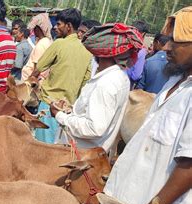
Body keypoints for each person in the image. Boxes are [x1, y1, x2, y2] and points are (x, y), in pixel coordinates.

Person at [105, 7, 192, 204]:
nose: (167, 48)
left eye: (175, 42)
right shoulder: (173, 83)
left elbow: (188, 166)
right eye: (167, 40)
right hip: (128, 200)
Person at [50, 23, 142, 153]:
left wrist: (59, 115)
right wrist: (71, 111)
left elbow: (94, 128)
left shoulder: (106, 83)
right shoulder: (119, 77)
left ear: (102, 52)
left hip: (79, 156)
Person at [31, 8, 92, 144]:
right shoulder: (87, 52)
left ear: (69, 26)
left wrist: (30, 84)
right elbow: (85, 84)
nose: (55, 27)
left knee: (43, 148)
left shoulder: (59, 44)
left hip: (49, 106)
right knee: (59, 149)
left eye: (58, 24)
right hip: (69, 111)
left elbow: (38, 68)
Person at [22, 13, 53, 81]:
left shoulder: (41, 44)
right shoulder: (48, 42)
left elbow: (37, 69)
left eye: (35, 28)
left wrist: (28, 82)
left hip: (30, 82)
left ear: (38, 28)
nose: (33, 30)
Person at [126, 20, 149, 85]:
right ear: (143, 33)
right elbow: (135, 76)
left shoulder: (122, 43)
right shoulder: (141, 50)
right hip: (126, 82)